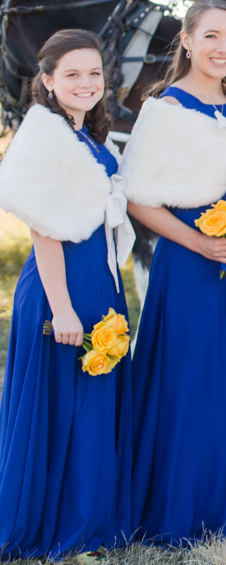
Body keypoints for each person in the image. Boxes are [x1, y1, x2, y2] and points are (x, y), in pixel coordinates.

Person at [121, 0, 226, 543]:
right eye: (212, 36)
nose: (223, 48)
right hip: (189, 263)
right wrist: (197, 242)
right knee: (189, 381)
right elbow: (138, 199)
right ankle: (182, 508)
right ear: (186, 40)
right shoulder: (164, 107)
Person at [0, 29, 134, 558]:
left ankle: (90, 520)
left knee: (91, 404)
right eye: (72, 74)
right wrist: (61, 308)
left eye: (94, 73)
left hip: (98, 280)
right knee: (63, 406)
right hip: (63, 287)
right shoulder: (46, 133)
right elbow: (44, 230)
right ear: (48, 81)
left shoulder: (84, 135)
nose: (86, 83)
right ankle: (59, 525)